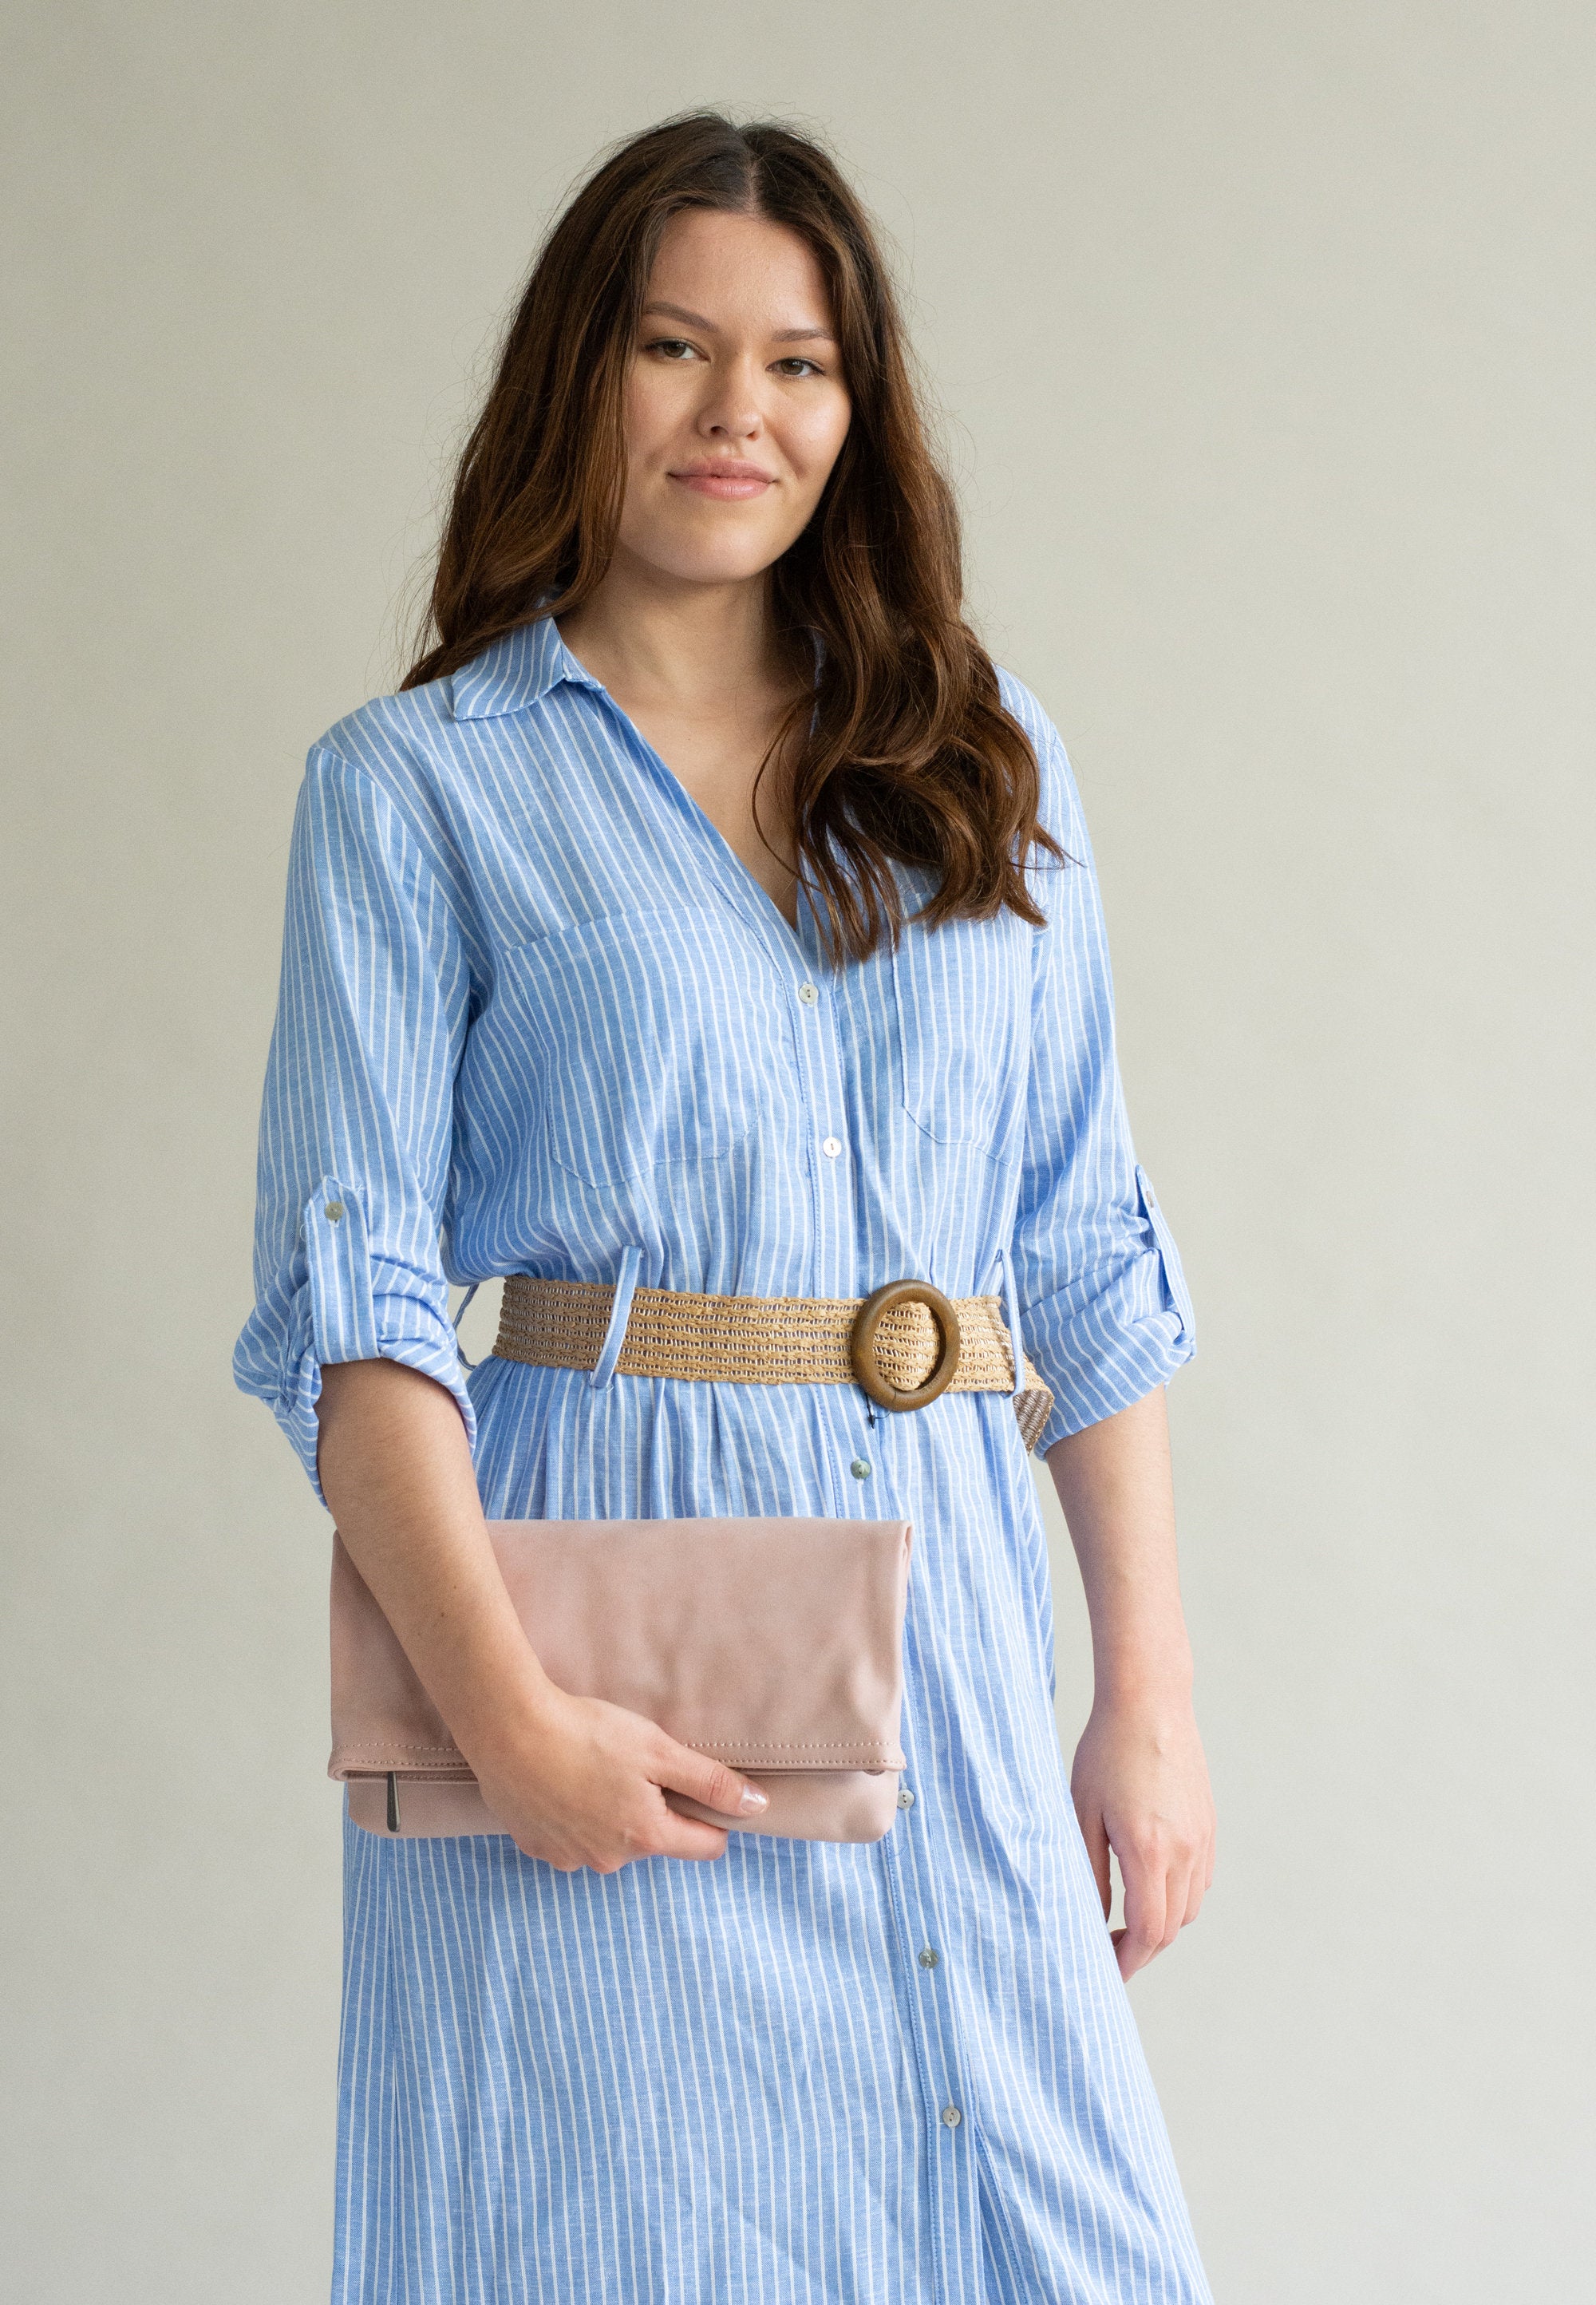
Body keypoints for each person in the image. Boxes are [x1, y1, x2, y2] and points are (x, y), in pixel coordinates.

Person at [236, 109, 1216, 2304]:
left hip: (949, 1644)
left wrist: (1144, 1699)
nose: (736, 414)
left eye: (799, 363)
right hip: (604, 1659)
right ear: (581, 374)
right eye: (675, 348)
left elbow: (1082, 1247)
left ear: (858, 411)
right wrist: (507, 1721)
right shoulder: (416, 792)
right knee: (611, 2241)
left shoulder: (983, 757)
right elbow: (355, 1313)